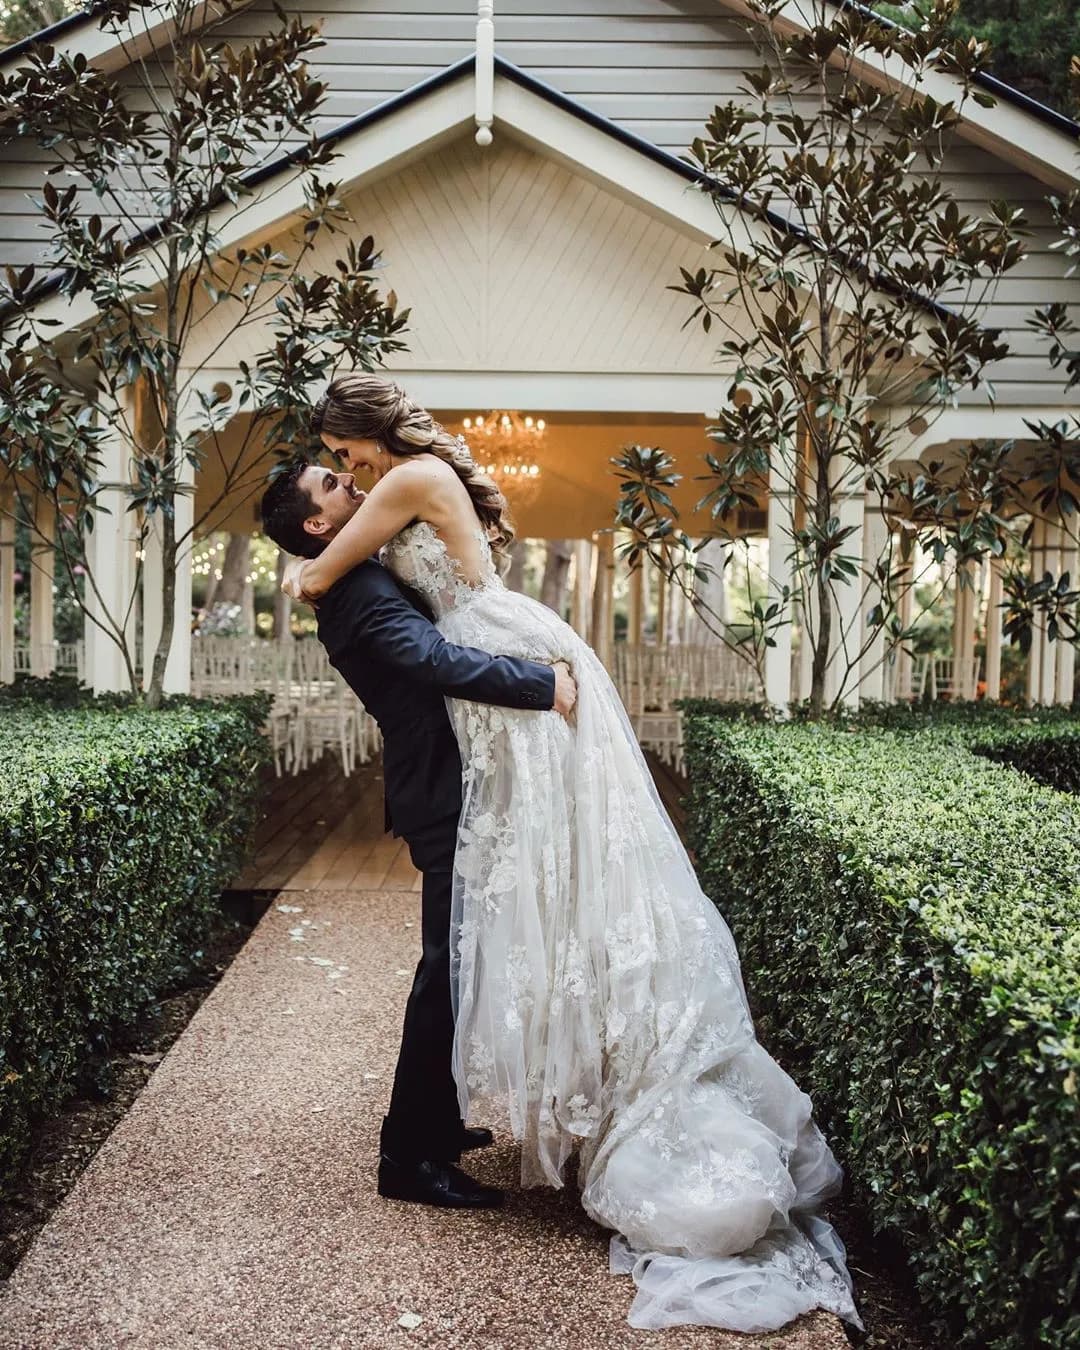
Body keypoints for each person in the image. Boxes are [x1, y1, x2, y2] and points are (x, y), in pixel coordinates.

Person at [277, 373, 864, 1336]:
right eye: (333, 477)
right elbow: (330, 586)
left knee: (496, 912)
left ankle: (425, 1133)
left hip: (505, 663)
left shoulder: (405, 481)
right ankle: (419, 1140)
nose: (346, 475)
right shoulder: (395, 518)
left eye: (344, 458)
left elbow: (314, 572)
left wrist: (526, 681)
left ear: (363, 431)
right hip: (498, 675)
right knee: (486, 921)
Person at [260, 462, 578, 1211]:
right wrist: (542, 685)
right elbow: (433, 660)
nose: (351, 484)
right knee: (446, 972)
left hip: (447, 780)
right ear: (316, 524)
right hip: (440, 790)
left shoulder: (348, 570)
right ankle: (406, 1156)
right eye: (334, 483)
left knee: (456, 961)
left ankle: (437, 1121)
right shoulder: (357, 590)